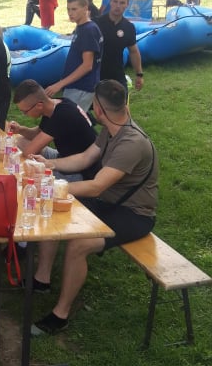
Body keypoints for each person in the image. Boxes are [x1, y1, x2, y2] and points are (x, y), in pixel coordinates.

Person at [30, 80, 158, 336]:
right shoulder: (112, 129)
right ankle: (41, 279)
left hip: (134, 214)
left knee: (79, 244)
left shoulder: (131, 143)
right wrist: (49, 165)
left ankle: (60, 315)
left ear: (98, 108)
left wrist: (53, 188)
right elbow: (85, 158)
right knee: (56, 210)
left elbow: (97, 187)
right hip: (109, 203)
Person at [10, 79, 97, 180]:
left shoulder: (62, 115)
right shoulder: (54, 105)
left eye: (25, 111)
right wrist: (20, 129)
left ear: (39, 105)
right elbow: (37, 134)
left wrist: (12, 163)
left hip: (80, 171)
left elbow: (29, 152)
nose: (24, 115)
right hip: (63, 157)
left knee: (30, 176)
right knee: (20, 141)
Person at [45, 0, 103, 112]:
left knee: (71, 119)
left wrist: (60, 84)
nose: (70, 13)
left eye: (74, 9)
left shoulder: (88, 30)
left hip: (81, 86)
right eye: (68, 9)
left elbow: (87, 65)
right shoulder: (82, 27)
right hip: (76, 85)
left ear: (85, 8)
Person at [96, 0, 144, 93]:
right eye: (115, 1)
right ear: (110, 2)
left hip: (117, 75)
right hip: (96, 75)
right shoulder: (96, 23)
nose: (118, 6)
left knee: (121, 102)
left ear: (127, 5)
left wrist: (139, 74)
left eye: (122, 3)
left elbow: (133, 51)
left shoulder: (128, 27)